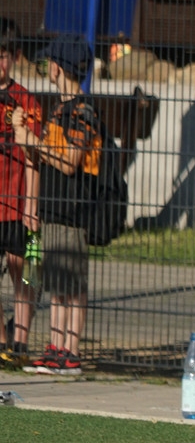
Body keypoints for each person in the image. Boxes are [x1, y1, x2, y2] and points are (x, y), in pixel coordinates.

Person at [13, 33, 100, 376]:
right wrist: (25, 139)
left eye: (50, 61)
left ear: (61, 68)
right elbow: (46, 157)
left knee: (73, 286)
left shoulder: (83, 110)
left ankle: (71, 352)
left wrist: (34, 141)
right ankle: (55, 346)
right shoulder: (60, 108)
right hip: (53, 209)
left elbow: (70, 161)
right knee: (55, 283)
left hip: (73, 211)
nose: (45, 66)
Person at [0, 18, 42, 369]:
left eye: (4, 55)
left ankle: (20, 343)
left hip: (16, 202)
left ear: (14, 57)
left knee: (23, 273)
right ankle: (1, 343)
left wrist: (31, 203)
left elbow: (35, 157)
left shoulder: (26, 100)